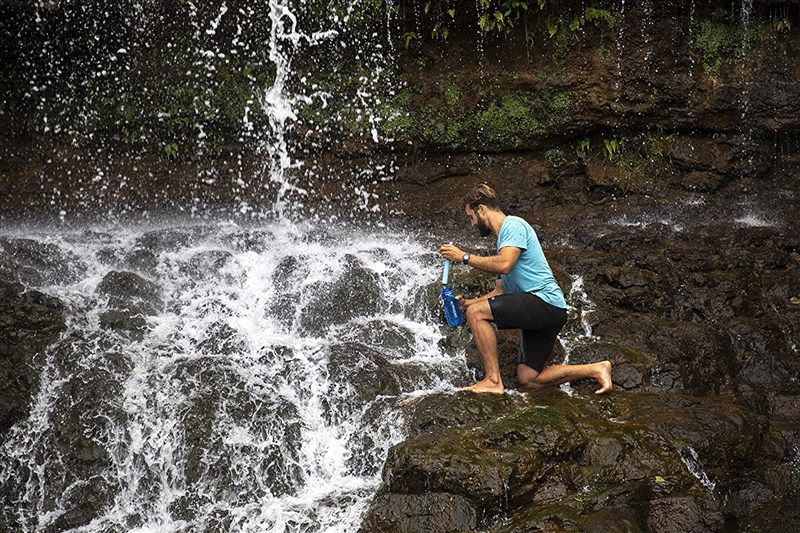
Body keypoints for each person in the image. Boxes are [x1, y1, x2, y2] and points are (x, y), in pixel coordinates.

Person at [440, 184, 612, 395]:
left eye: (471, 216)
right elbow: (500, 292)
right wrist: (468, 303)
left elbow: (505, 264)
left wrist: (464, 257)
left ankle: (493, 381)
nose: (473, 223)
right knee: (529, 379)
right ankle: (596, 368)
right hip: (550, 310)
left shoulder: (513, 226)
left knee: (476, 315)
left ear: (482, 209)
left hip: (544, 302)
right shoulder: (504, 241)